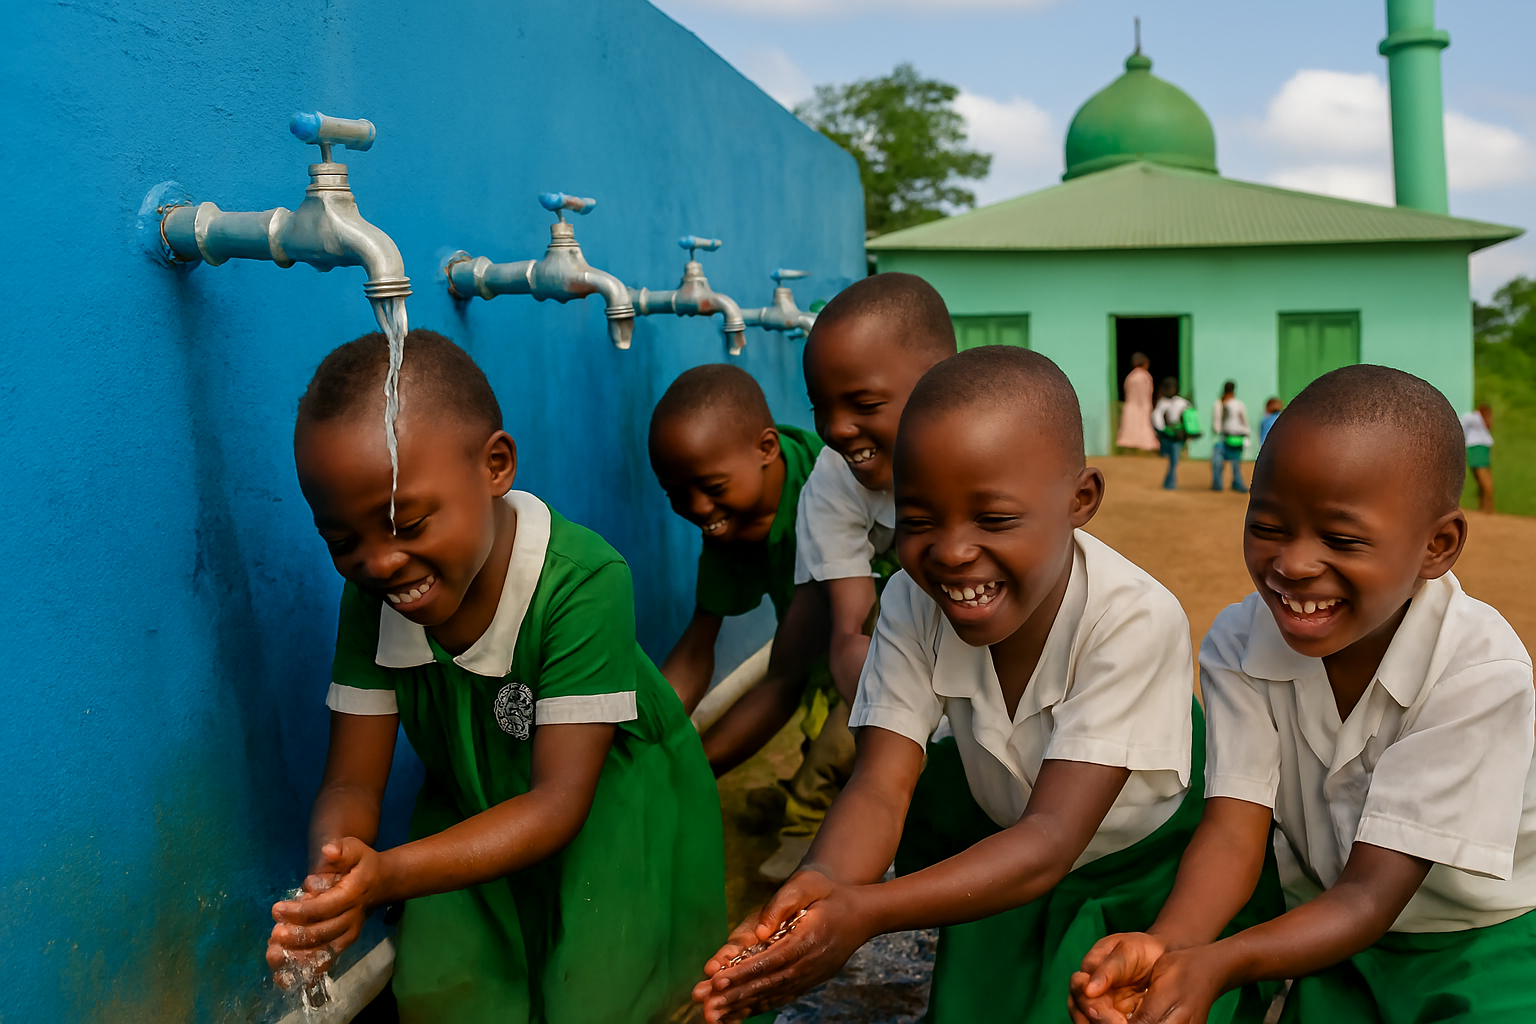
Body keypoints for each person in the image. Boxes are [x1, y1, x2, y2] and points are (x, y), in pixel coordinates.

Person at [694, 347, 1282, 1024]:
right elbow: (882, 785)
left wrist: (866, 912)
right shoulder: (915, 601)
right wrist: (821, 888)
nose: (950, 551)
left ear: (1080, 501)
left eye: (994, 519)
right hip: (1010, 851)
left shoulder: (1133, 619)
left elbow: (1054, 836)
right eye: (918, 521)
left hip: (1145, 863)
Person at [267, 330, 726, 1023]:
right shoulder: (373, 600)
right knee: (447, 990)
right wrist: (334, 880)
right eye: (343, 542)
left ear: (496, 466)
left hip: (608, 804)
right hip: (468, 804)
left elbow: (558, 804)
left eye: (408, 522)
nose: (379, 563)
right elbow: (351, 781)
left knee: (602, 999)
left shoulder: (581, 582)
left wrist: (388, 873)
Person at [1071, 365, 1536, 1024]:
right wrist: (1167, 946)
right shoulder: (1240, 640)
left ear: (1438, 545)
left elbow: (1373, 896)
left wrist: (1221, 961)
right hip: (1322, 919)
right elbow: (1234, 833)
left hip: (1478, 938)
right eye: (1268, 526)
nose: (1292, 564)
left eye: (1342, 539)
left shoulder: (1475, 674)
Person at [746, 272, 957, 880]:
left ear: (938, 380)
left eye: (863, 405)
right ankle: (813, 812)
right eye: (822, 409)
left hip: (1006, 660)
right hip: (905, 654)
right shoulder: (835, 480)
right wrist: (894, 729)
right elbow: (849, 634)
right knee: (852, 738)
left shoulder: (993, 460)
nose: (837, 430)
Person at [648, 363, 840, 879]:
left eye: (710, 486)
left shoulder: (831, 504)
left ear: (767, 449)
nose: (696, 509)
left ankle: (825, 842)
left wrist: (685, 771)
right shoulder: (729, 519)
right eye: (675, 494)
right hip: (822, 651)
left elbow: (783, 680)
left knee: (847, 736)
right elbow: (697, 643)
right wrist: (643, 738)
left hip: (892, 644)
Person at [1152, 377, 1192, 491]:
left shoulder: (1165, 403)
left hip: (1173, 436)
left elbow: (1157, 420)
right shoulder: (1182, 402)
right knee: (1173, 461)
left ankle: (1169, 484)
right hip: (1176, 436)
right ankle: (1169, 483)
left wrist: (1164, 430)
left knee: (1173, 461)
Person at [1211, 381, 1249, 493]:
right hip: (1235, 437)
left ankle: (1218, 484)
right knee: (1235, 463)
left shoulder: (1219, 403)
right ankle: (1236, 483)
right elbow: (1244, 422)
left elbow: (1216, 423)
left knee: (1218, 462)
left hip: (1223, 437)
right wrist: (1247, 436)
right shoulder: (1239, 404)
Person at [1117, 352, 1159, 452]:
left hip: (1130, 405)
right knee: (1144, 426)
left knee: (1131, 427)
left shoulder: (1130, 377)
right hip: (1143, 405)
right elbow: (1147, 393)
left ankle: (1130, 450)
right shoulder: (1145, 377)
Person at [1461, 404, 1494, 513]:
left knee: (1482, 477)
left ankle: (1488, 507)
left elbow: (1462, 423)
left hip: (1476, 448)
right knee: (1482, 477)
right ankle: (1485, 506)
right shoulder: (1476, 420)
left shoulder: (1472, 418)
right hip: (1482, 447)